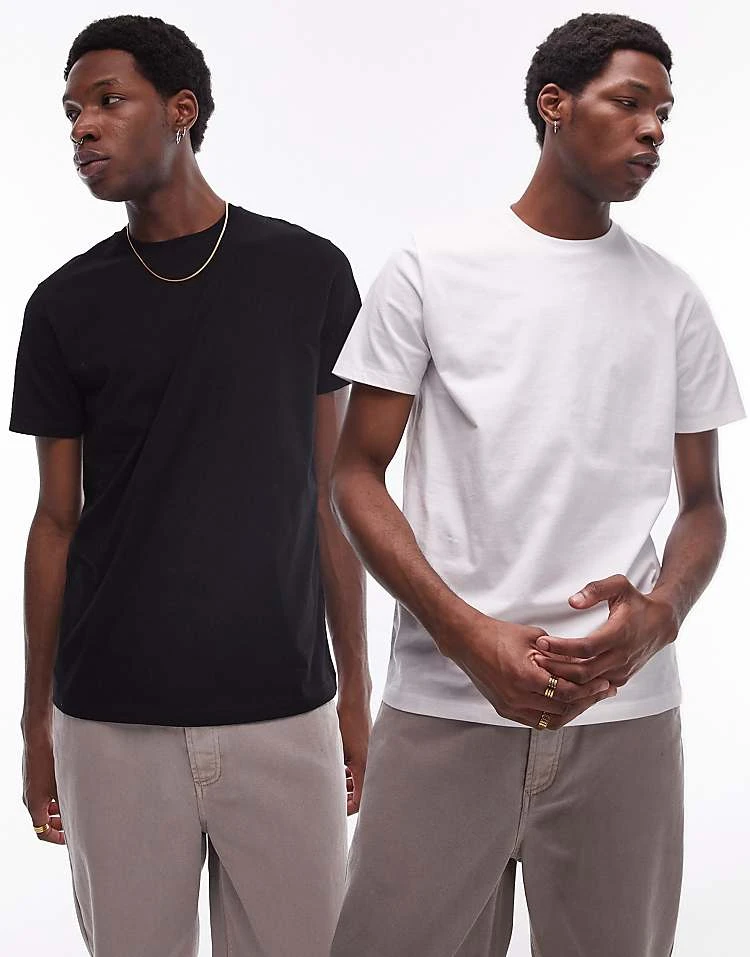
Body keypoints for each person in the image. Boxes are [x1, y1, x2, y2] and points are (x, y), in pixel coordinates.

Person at [328, 12, 744, 957]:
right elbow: (355, 472)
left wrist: (662, 615)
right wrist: (463, 632)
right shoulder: (432, 268)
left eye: (665, 115)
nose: (653, 132)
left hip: (624, 717)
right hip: (447, 705)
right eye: (629, 103)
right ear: (555, 105)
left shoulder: (674, 298)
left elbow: (704, 505)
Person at [10, 14, 371, 957]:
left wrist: (356, 693)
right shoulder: (63, 306)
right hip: (110, 719)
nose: (83, 127)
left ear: (182, 110)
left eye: (107, 100)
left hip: (284, 706)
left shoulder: (307, 273)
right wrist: (36, 720)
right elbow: (55, 523)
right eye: (71, 112)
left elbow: (333, 498)